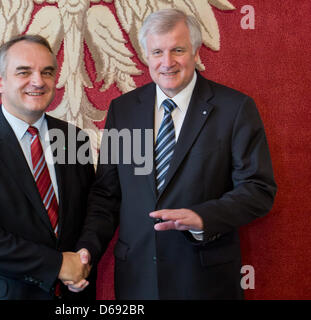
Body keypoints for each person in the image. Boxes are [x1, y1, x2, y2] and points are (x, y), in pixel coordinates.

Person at [73, 8, 277, 299]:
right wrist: (87, 249)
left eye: (177, 50)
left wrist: (202, 216)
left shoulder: (234, 109)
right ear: (146, 56)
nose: (166, 62)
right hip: (137, 279)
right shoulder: (124, 110)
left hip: (205, 279)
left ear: (195, 52)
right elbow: (107, 194)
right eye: (157, 52)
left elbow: (258, 190)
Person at [0, 35, 95, 300]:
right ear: (0, 81)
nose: (38, 81)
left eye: (47, 72)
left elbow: (92, 211)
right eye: (24, 72)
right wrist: (57, 265)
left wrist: (83, 258)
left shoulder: (75, 139)